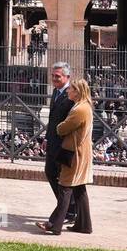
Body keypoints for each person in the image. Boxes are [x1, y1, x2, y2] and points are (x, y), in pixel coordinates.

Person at [38, 78, 94, 235]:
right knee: (79, 189)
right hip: (78, 152)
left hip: (73, 154)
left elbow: (61, 129)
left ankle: (53, 225)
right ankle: (84, 225)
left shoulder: (79, 110)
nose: (68, 91)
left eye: (71, 89)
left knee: (65, 187)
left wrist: (59, 126)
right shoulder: (84, 107)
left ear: (77, 92)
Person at [43, 61, 77, 227]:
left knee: (64, 179)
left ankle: (68, 210)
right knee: (50, 172)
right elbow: (52, 119)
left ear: (67, 77)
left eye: (58, 76)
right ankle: (67, 208)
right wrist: (47, 138)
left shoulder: (72, 95)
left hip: (64, 144)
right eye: (53, 76)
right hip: (52, 142)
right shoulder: (56, 92)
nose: (54, 79)